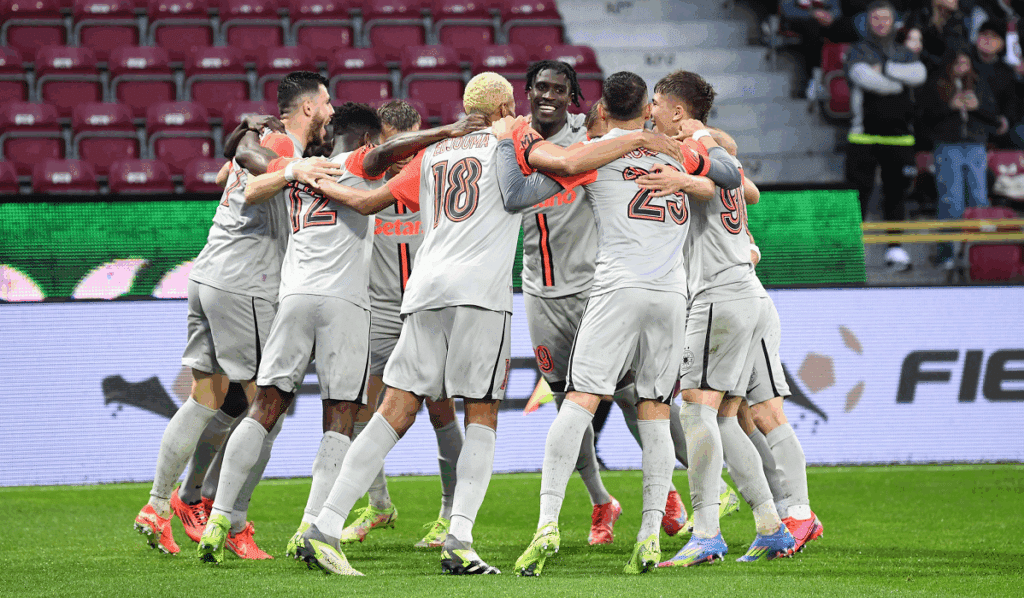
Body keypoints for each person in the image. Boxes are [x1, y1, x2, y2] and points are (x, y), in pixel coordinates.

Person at [287, 72, 686, 577]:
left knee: (393, 410)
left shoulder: (434, 153)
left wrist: (317, 182)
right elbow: (564, 164)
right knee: (482, 415)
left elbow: (370, 202)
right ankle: (460, 540)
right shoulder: (514, 137)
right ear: (502, 108)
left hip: (425, 292)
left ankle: (323, 526)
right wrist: (637, 139)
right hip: (480, 298)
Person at [513, 71, 742, 577]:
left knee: (577, 402)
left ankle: (547, 523)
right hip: (670, 296)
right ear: (645, 107)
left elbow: (539, 180)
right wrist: (685, 152)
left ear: (600, 108)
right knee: (656, 410)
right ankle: (649, 535)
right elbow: (729, 178)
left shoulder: (597, 151)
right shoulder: (676, 153)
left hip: (616, 289)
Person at [132, 71, 341, 556]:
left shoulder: (264, 140)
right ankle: (233, 520)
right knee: (268, 408)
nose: (330, 111)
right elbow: (250, 188)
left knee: (206, 397)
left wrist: (256, 145)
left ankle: (160, 504)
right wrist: (289, 172)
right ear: (308, 108)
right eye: (326, 103)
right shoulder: (283, 151)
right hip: (247, 285)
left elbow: (231, 171)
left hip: (207, 275)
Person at [339, 100, 481, 549]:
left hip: (427, 307)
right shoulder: (364, 173)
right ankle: (379, 505)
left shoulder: (436, 170)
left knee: (441, 410)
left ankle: (448, 514)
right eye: (398, 143)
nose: (408, 151)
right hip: (379, 311)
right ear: (378, 141)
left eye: (415, 139)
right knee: (365, 409)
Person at [844, 0, 927, 271]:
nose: (881, 23)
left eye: (885, 18)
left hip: (900, 137)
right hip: (863, 137)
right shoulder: (858, 50)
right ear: (868, 21)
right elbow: (863, 77)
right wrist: (896, 83)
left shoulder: (905, 52)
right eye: (876, 18)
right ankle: (852, 248)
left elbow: (919, 74)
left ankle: (895, 250)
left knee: (896, 196)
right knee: (858, 196)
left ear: (894, 22)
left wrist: (887, 70)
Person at [919, 48, 1000, 270]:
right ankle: (946, 254)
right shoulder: (935, 85)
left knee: (979, 198)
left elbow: (993, 116)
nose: (961, 67)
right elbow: (924, 118)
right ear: (948, 64)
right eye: (957, 63)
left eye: (965, 63)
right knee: (951, 202)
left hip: (975, 146)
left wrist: (977, 108)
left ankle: (982, 253)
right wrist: (949, 107)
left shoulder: (980, 83)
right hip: (947, 146)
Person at [971, 19, 1020, 148]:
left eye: (994, 36)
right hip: (972, 120)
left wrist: (1007, 120)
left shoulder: (1006, 71)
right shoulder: (966, 64)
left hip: (997, 124)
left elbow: (1012, 103)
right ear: (976, 38)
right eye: (984, 34)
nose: (988, 39)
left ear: (1002, 44)